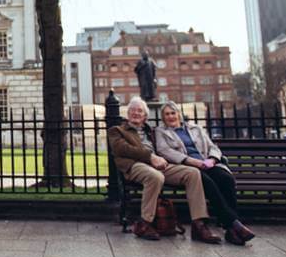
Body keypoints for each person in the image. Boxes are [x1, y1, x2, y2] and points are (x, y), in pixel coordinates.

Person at [108, 96, 221, 243]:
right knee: (155, 176)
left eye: (140, 111)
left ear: (145, 116)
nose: (136, 113)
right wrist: (150, 157)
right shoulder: (117, 130)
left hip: (158, 165)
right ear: (128, 113)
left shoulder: (151, 131)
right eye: (133, 110)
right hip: (134, 165)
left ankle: (199, 224)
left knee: (193, 173)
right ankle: (145, 223)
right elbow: (122, 149)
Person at [155, 101, 256, 245]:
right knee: (207, 182)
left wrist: (213, 159)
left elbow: (212, 146)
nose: (171, 117)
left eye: (173, 113)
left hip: (207, 164)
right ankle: (233, 225)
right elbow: (164, 151)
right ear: (163, 117)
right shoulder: (161, 132)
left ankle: (231, 230)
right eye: (167, 114)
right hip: (188, 167)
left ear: (179, 114)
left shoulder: (196, 128)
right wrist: (192, 161)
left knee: (226, 178)